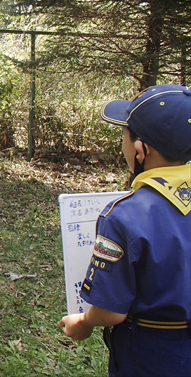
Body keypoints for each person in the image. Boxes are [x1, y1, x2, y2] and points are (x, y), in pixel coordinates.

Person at [58, 84, 191, 376]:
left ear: (141, 149)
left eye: (125, 135)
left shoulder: (124, 216)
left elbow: (111, 312)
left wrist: (84, 322)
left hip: (150, 353)